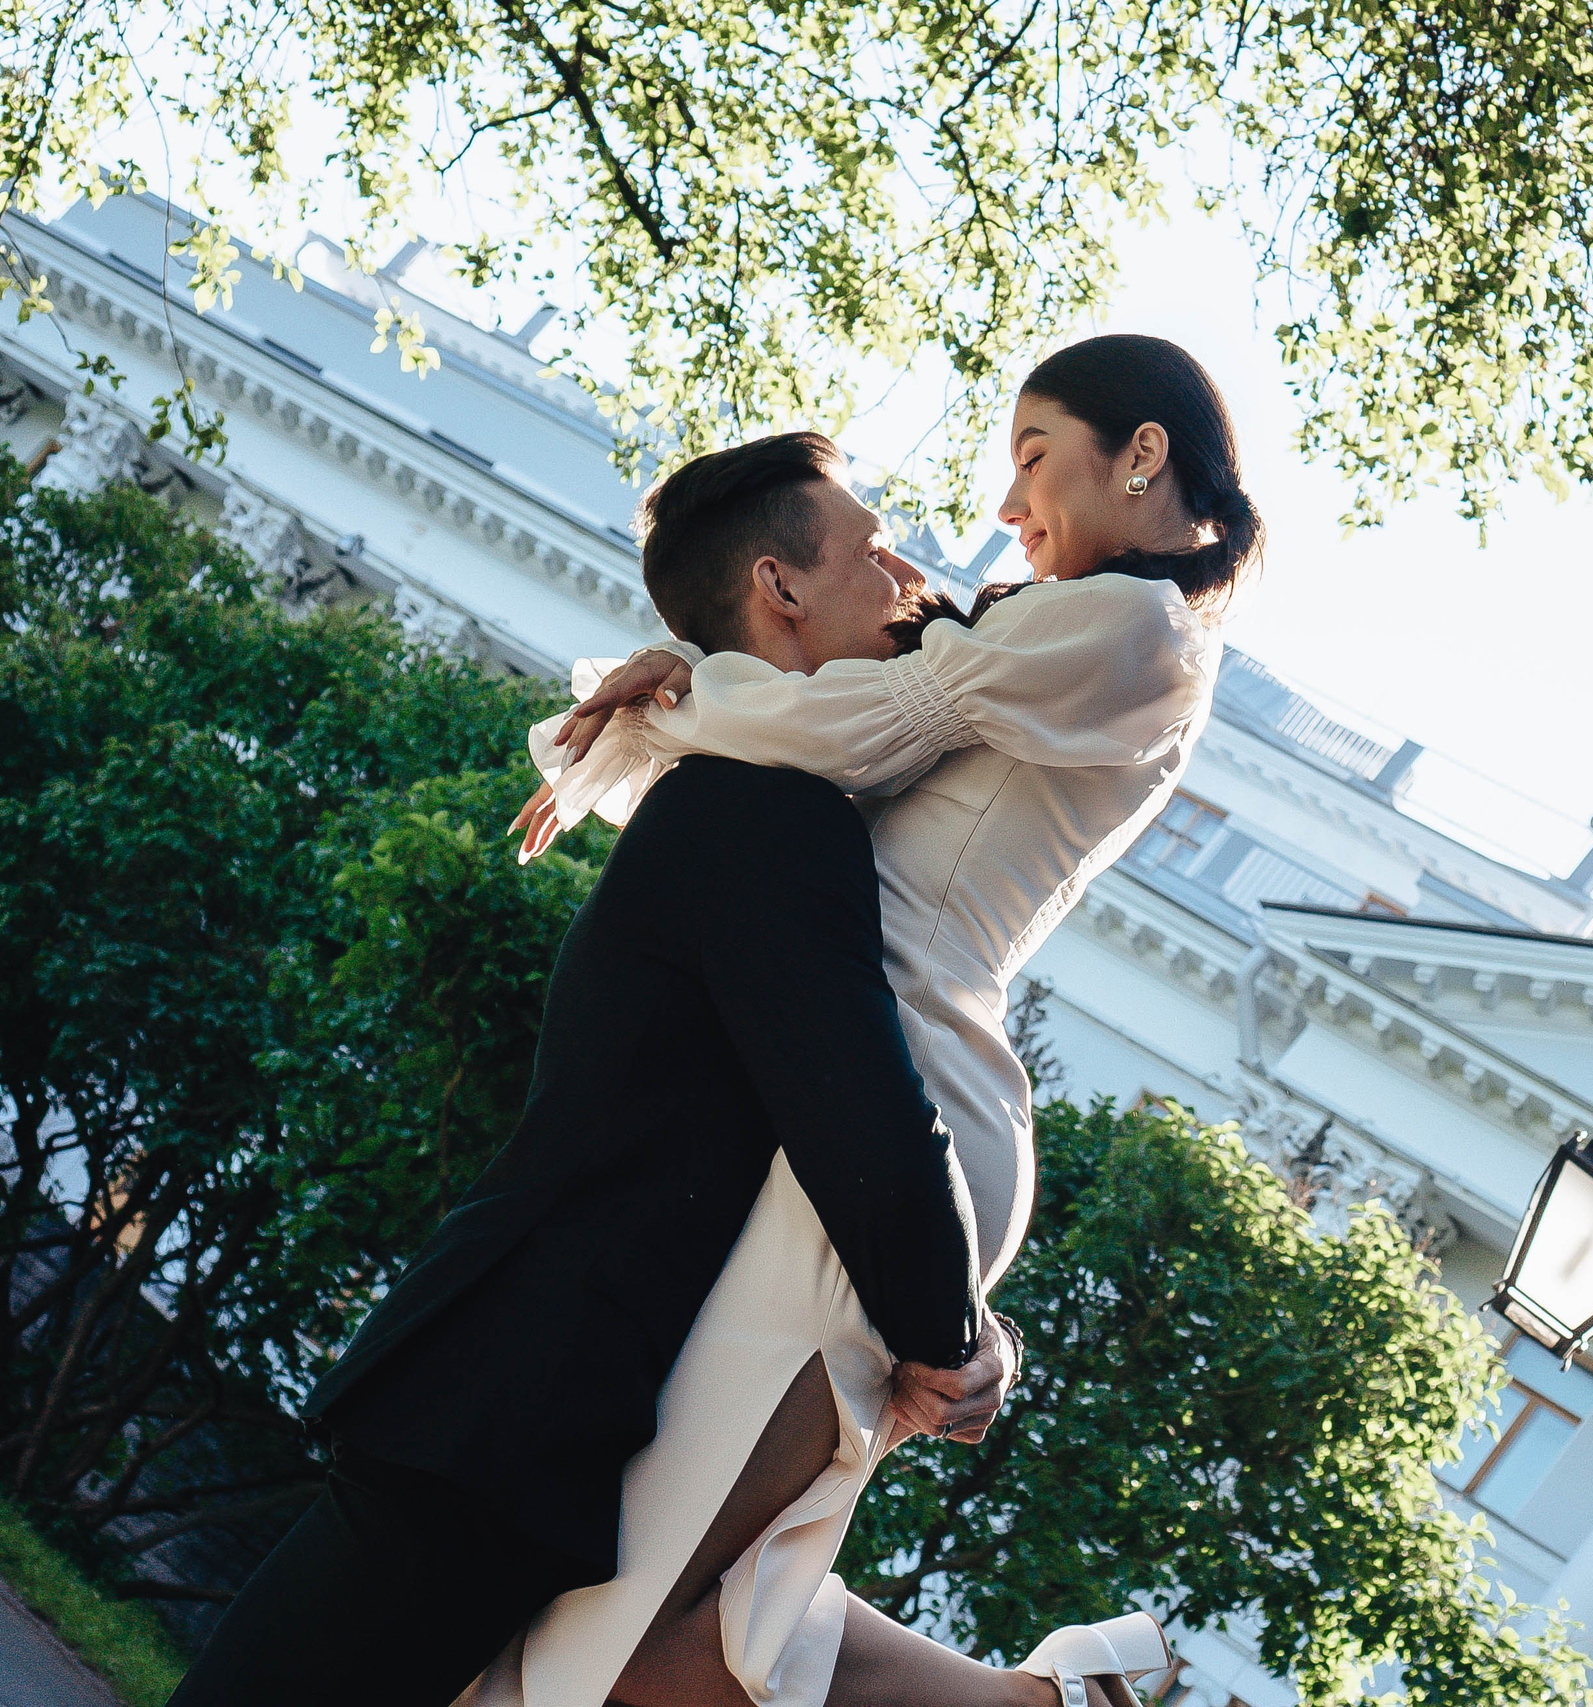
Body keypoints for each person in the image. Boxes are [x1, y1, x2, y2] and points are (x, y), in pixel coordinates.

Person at [164, 437, 1006, 1707]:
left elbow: (967, 666)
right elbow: (865, 1120)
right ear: (779, 587)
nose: (905, 566)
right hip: (512, 1403)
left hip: (514, 1395)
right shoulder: (769, 817)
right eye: (872, 543)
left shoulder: (737, 788)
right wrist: (950, 1337)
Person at [491, 334, 1259, 1707]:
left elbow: (853, 728)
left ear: (1143, 453)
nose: (1012, 505)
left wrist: (666, 701)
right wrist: (683, 678)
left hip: (891, 1108)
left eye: (1035, 458)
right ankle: (1050, 1699)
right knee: (685, 1600)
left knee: (621, 1629)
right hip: (866, 1094)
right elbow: (845, 708)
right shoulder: (1070, 623)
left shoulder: (1133, 626)